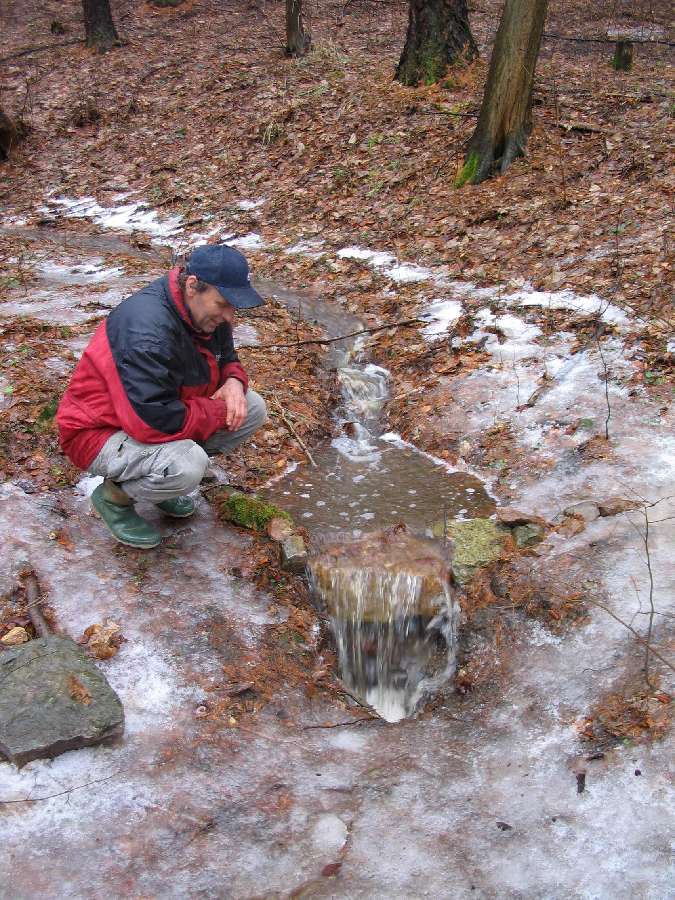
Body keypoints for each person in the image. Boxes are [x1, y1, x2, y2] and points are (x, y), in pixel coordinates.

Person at [57, 244, 268, 549]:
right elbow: (152, 423)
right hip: (97, 433)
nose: (229, 316)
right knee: (188, 465)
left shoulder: (204, 314)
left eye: (233, 306)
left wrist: (234, 381)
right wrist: (218, 411)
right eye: (223, 304)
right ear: (192, 285)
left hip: (155, 415)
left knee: (252, 406)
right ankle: (114, 498)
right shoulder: (146, 331)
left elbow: (227, 358)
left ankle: (161, 482)